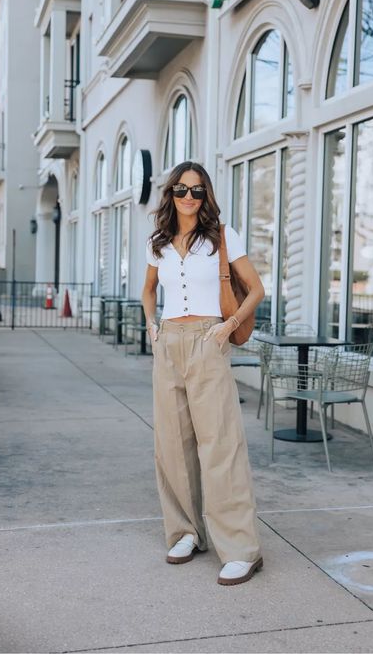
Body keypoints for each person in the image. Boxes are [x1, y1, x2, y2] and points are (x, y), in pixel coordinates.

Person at [142, 160, 265, 586]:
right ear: (170, 194)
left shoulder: (222, 237)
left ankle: (241, 549)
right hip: (169, 340)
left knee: (220, 442)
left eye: (196, 191)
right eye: (181, 190)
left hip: (207, 338)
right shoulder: (157, 241)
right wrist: (151, 324)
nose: (189, 198)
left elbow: (257, 289)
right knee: (172, 442)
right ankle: (186, 532)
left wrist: (228, 326)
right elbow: (148, 289)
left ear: (206, 195)